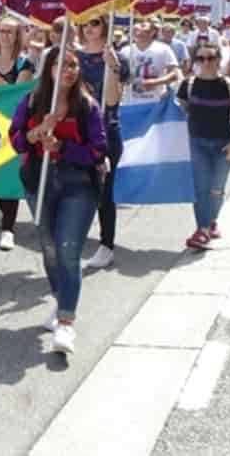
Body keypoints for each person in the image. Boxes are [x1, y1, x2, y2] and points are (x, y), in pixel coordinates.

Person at [9, 44, 107, 355]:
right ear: (48, 69)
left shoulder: (88, 106)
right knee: (49, 248)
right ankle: (62, 296)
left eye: (73, 65)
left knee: (68, 249)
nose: (69, 70)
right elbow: (15, 140)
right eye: (62, 65)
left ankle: (66, 322)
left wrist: (63, 147)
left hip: (78, 186)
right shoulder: (32, 101)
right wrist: (36, 134)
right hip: (39, 183)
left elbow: (98, 151)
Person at [177, 42, 230, 249]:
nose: (206, 62)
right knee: (200, 189)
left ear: (218, 59)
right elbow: (176, 113)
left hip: (223, 144)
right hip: (196, 143)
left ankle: (211, 221)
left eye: (210, 58)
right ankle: (202, 230)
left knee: (216, 189)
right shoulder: (188, 85)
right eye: (201, 58)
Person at [77, 15, 129, 271]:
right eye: (86, 23)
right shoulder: (73, 57)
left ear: (106, 27)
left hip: (106, 132)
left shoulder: (119, 58)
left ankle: (106, 245)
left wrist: (113, 68)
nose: (89, 28)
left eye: (95, 23)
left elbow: (111, 101)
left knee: (104, 192)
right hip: (76, 132)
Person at [0, 17, 35, 250]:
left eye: (10, 32)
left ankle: (8, 228)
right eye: (1, 31)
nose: (4, 35)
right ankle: (2, 209)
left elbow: (15, 94)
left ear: (17, 36)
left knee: (9, 175)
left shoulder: (25, 64)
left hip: (14, 126)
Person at [126, 18, 181, 101]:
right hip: (129, 101)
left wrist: (156, 82)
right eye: (136, 27)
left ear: (152, 32)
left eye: (143, 26)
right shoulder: (125, 50)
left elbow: (175, 73)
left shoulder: (164, 49)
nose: (138, 28)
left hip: (156, 101)